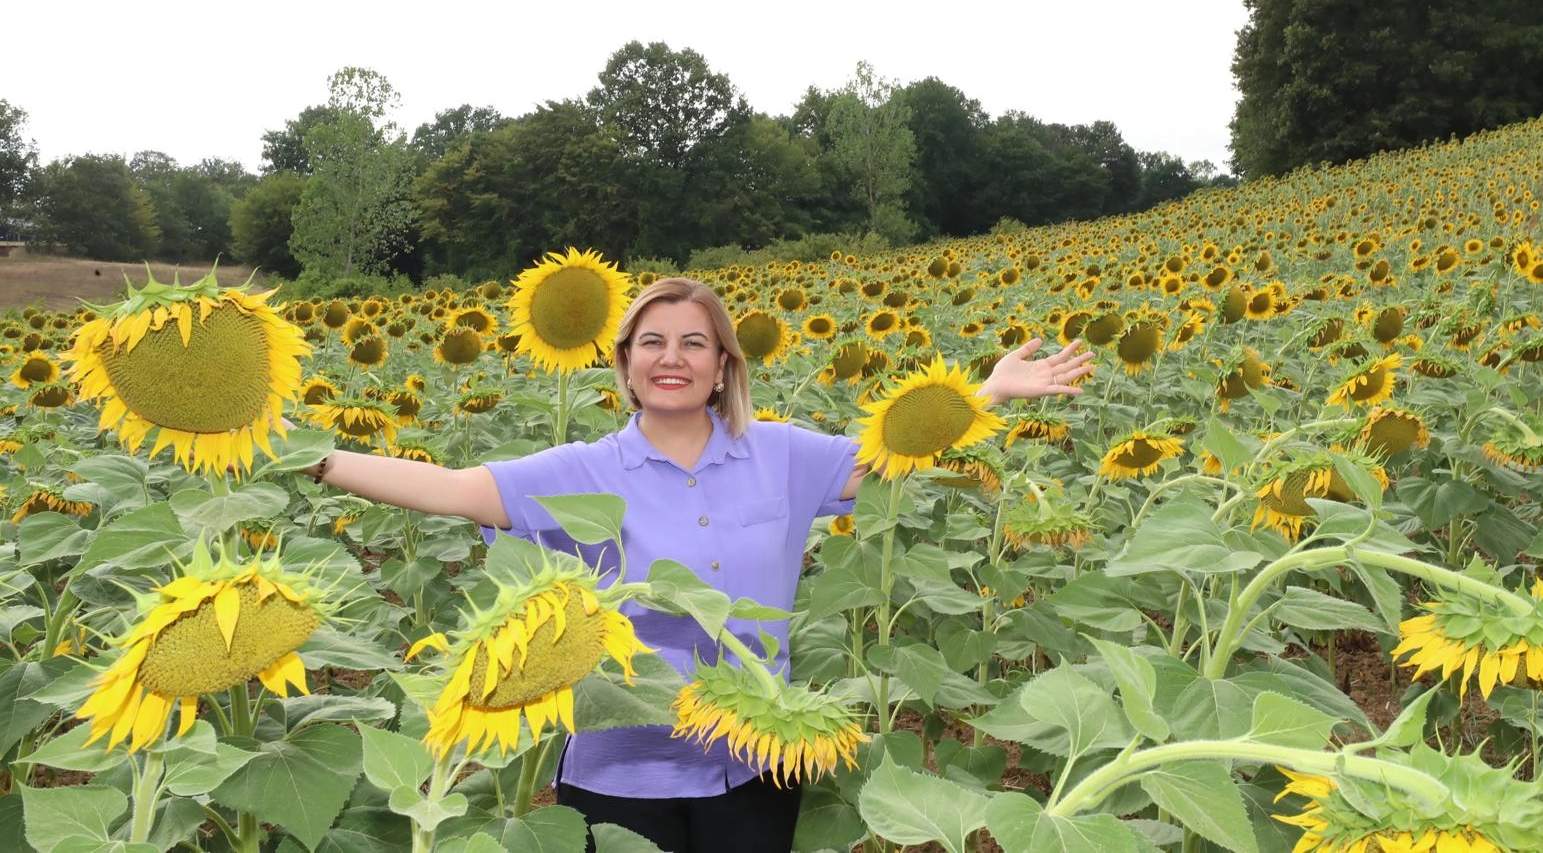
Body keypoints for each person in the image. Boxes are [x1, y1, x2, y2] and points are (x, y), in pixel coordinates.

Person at [307, 277, 1094, 853]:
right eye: (652, 342)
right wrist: (316, 458)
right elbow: (452, 492)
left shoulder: (781, 453)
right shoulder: (581, 471)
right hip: (621, 773)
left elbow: (891, 455)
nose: (672, 357)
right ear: (624, 364)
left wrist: (988, 393)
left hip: (756, 762)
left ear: (723, 364)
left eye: (694, 342)